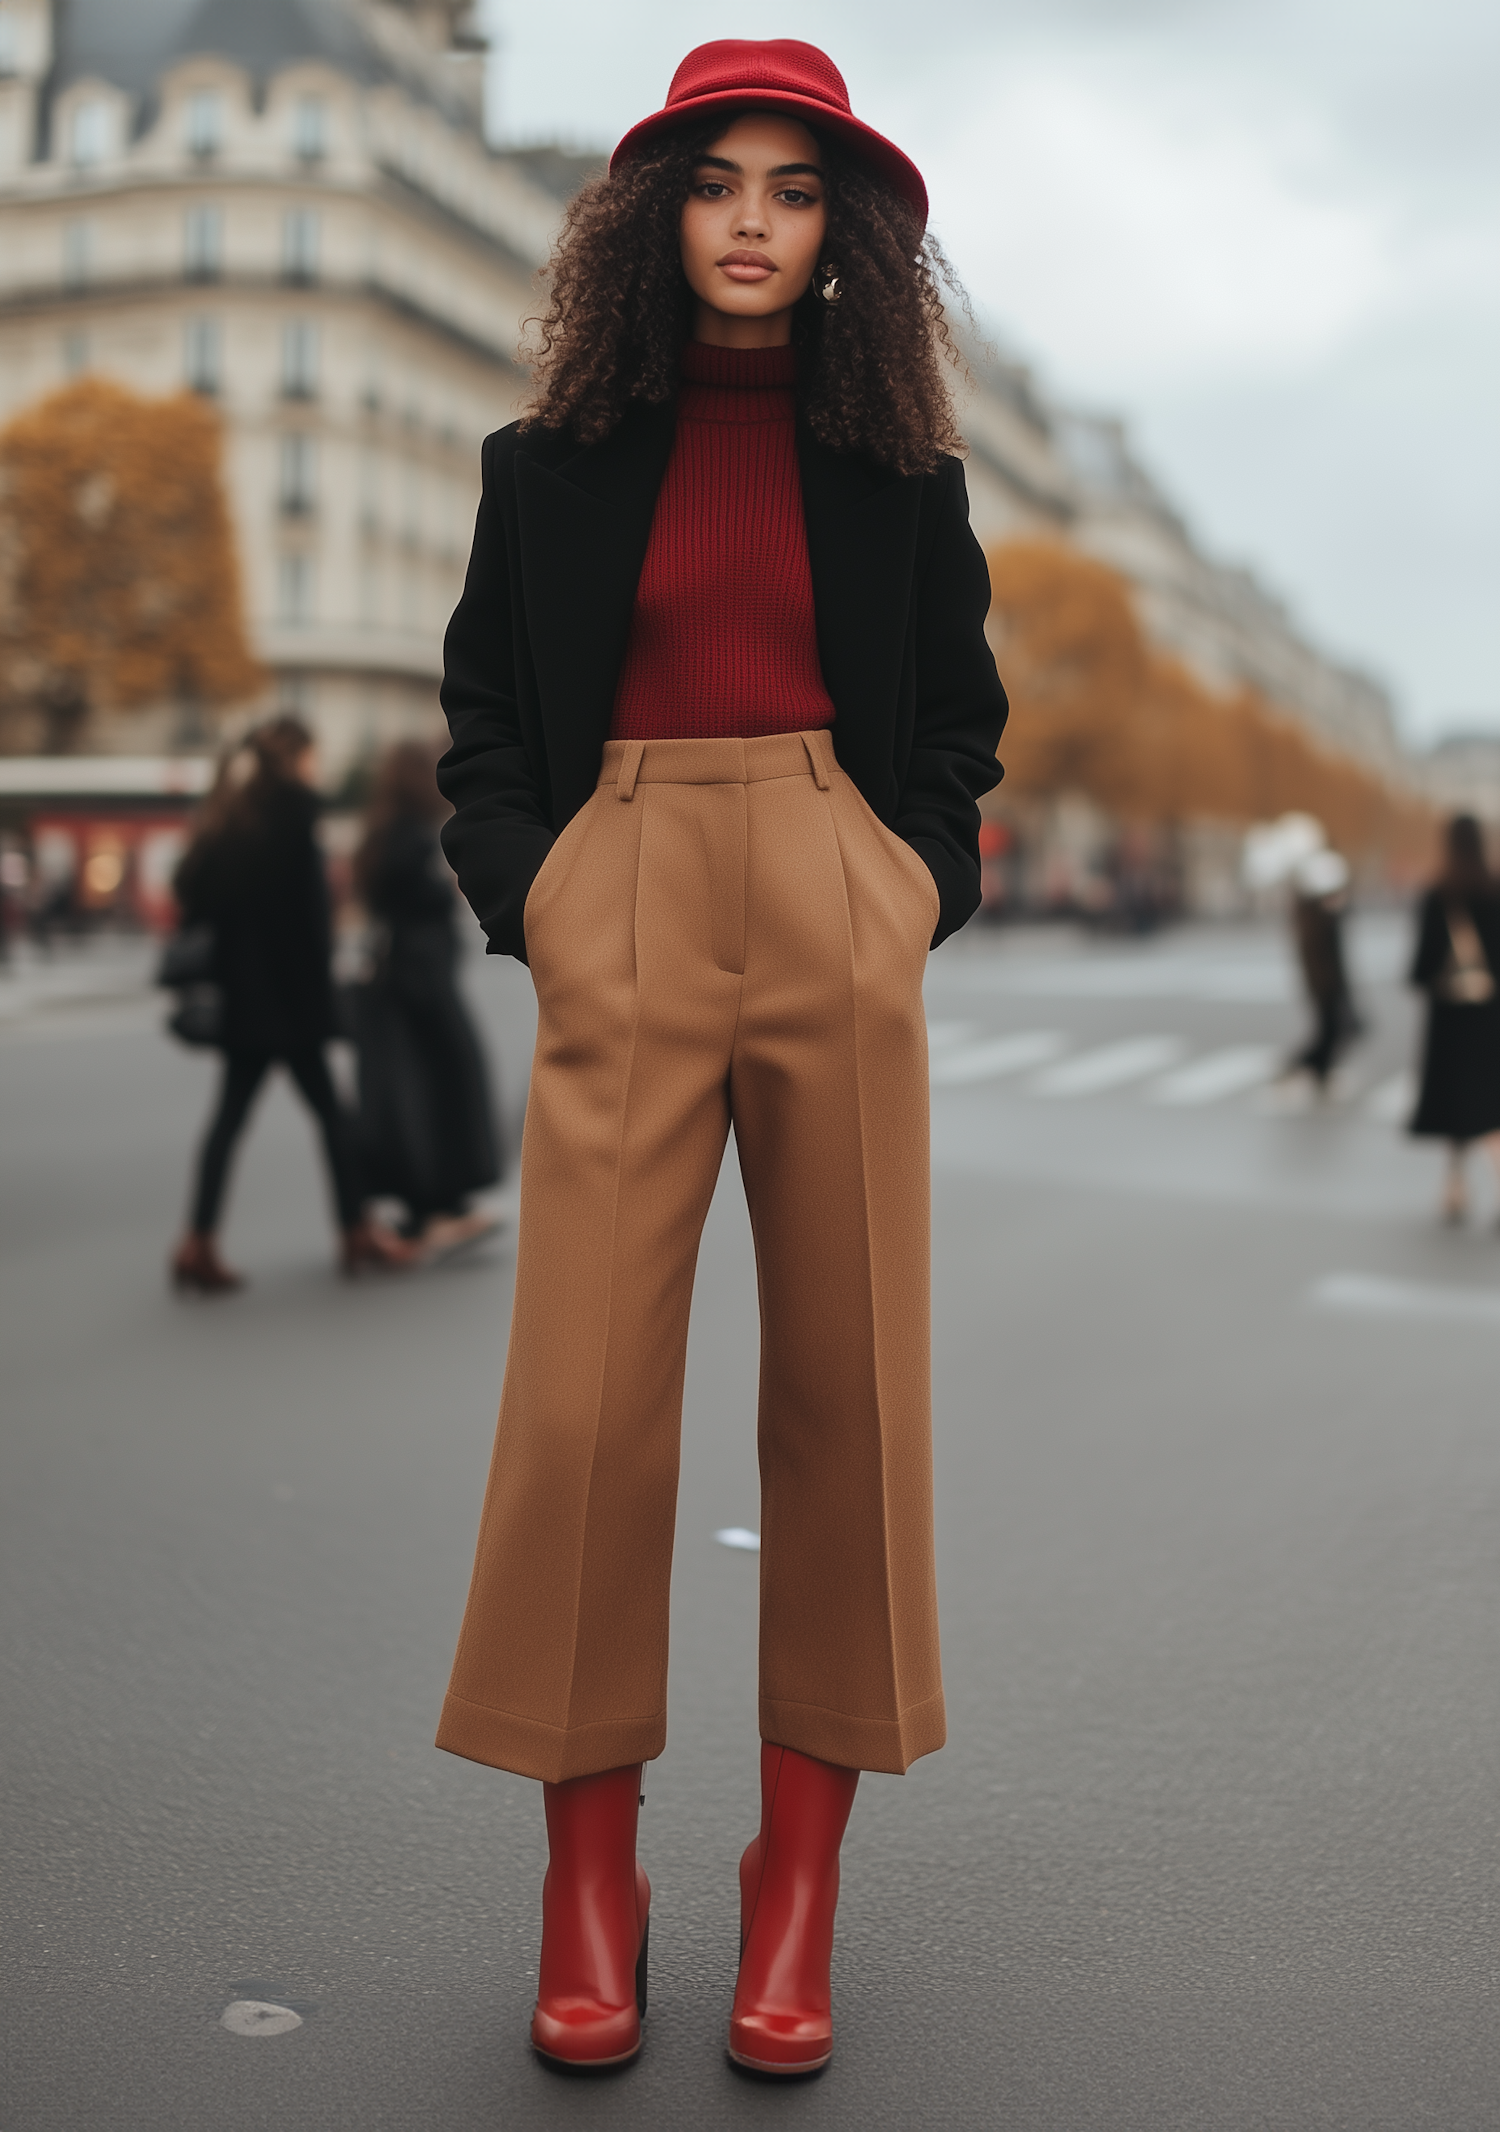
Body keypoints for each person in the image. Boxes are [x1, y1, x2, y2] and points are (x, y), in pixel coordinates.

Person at [433, 39, 1007, 2077]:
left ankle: (799, 1881)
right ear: (651, 216)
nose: (751, 221)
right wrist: (544, 895)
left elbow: (958, 730)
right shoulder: (544, 467)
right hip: (624, 884)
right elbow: (483, 728)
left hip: (837, 892)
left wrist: (906, 886)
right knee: (584, 1411)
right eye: (713, 181)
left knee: (851, 1396)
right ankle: (590, 1886)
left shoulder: (909, 480)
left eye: (792, 187)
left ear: (844, 233)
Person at [169, 716, 410, 1292]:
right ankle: (356, 1230)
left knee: (229, 1121)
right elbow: (310, 922)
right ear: (296, 758)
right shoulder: (297, 814)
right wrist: (326, 1001)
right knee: (332, 1117)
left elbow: (192, 898)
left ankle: (197, 1241)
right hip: (292, 1001)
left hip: (243, 1000)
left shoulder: (228, 818)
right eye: (312, 757)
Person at [350, 740, 504, 1259]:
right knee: (448, 1084)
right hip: (425, 983)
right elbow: (427, 905)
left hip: (400, 982)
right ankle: (441, 1207)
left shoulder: (380, 835)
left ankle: (429, 1208)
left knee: (412, 1093)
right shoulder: (413, 841)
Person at [1409, 814, 1500, 1223]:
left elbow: (1420, 967)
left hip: (1450, 1018)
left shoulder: (1438, 894)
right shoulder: (1495, 892)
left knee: (1455, 1105)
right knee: (1491, 1104)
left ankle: (1456, 1188)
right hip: (1492, 1018)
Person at [1284, 848, 1361, 1093]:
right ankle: (1303, 1067)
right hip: (1325, 984)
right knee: (1331, 1032)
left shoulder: (1312, 913)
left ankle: (1317, 1071)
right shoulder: (1315, 915)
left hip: (1326, 983)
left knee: (1331, 1031)